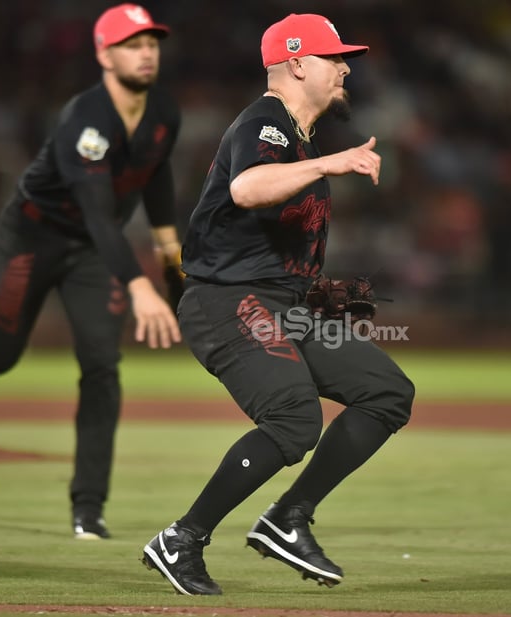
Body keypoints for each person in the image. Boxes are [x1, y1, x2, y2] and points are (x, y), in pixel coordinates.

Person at [140, 13, 414, 596]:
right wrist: (328, 163)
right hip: (225, 302)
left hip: (281, 305)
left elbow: (269, 245)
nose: (344, 67)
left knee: (387, 393)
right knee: (293, 419)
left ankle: (288, 518)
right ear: (294, 63)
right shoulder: (265, 124)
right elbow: (246, 189)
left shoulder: (300, 137)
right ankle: (182, 539)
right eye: (333, 57)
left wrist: (321, 296)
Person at [0, 3, 184, 540]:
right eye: (133, 44)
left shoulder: (163, 111)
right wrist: (140, 286)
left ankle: (88, 509)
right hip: (33, 237)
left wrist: (171, 260)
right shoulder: (85, 119)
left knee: (102, 367)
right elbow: (94, 209)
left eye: (152, 44)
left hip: (94, 251)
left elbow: (154, 179)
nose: (146, 53)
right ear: (103, 54)